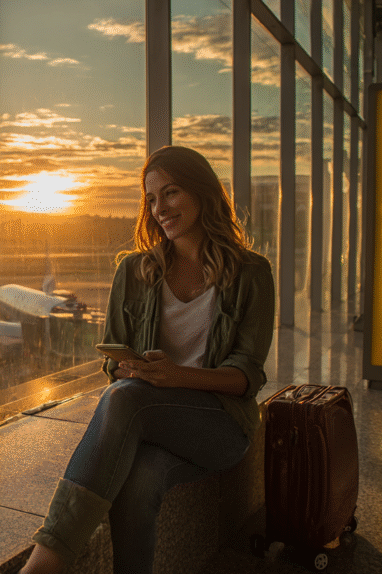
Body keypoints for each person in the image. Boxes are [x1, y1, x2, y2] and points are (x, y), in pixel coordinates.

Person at [20, 146, 275, 574]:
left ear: (202, 193)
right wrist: (129, 367)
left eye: (171, 193)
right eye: (151, 199)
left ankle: (48, 561)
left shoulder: (251, 273)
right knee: (138, 482)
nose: (159, 208)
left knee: (125, 399)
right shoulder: (135, 271)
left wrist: (177, 376)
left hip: (221, 424)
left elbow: (248, 376)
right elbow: (113, 361)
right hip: (152, 413)